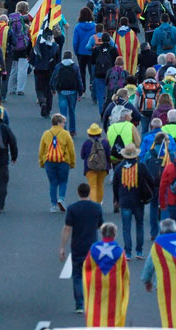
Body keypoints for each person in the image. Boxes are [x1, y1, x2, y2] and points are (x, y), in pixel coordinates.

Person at [60, 182, 104, 314]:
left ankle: (79, 304)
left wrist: (62, 247)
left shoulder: (72, 208)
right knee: (93, 274)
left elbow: (67, 228)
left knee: (78, 275)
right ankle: (93, 302)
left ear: (78, 193)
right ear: (89, 192)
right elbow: (100, 225)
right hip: (92, 246)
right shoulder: (96, 208)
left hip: (77, 246)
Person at [82, 222, 129, 327]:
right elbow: (124, 272)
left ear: (102, 233)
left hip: (97, 284)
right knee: (113, 309)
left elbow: (87, 266)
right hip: (114, 285)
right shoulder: (120, 251)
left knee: (96, 308)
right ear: (114, 234)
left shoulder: (94, 248)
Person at [115, 143, 152, 259]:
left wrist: (117, 200)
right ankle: (139, 251)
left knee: (126, 227)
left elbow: (115, 186)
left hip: (125, 201)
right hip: (138, 201)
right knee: (139, 225)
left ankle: (128, 252)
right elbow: (151, 180)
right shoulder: (141, 166)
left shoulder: (119, 168)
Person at [39, 114, 76, 213]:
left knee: (53, 183)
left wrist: (42, 162)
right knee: (63, 181)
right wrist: (72, 162)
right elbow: (71, 149)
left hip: (49, 161)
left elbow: (41, 150)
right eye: (63, 123)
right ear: (59, 123)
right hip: (63, 161)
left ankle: (53, 205)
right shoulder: (65, 134)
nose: (64, 125)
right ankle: (61, 199)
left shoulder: (46, 134)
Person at [50, 51, 84, 134]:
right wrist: (80, 92)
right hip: (72, 91)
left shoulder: (58, 66)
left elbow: (53, 78)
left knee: (63, 112)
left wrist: (53, 88)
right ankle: (72, 130)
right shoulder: (75, 67)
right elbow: (79, 80)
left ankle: (63, 130)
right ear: (71, 57)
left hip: (62, 91)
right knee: (72, 111)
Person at [79, 123, 110, 203]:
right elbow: (108, 155)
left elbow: (82, 155)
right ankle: (98, 203)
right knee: (100, 185)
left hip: (90, 168)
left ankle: (93, 203)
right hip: (103, 168)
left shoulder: (87, 143)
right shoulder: (105, 142)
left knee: (92, 186)